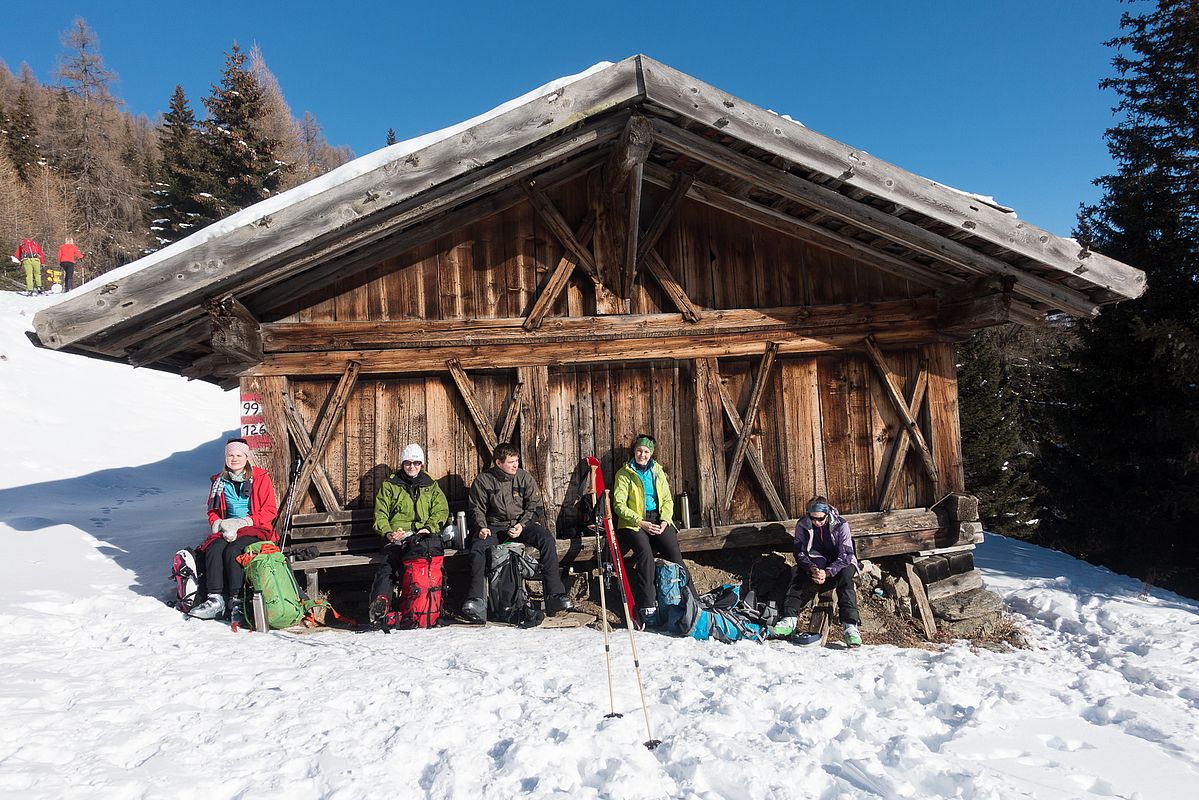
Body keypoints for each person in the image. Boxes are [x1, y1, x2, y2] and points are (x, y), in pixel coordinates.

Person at [461, 443, 572, 623]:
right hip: (495, 526)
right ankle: (477, 600)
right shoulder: (483, 480)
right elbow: (476, 509)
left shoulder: (523, 478)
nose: (515, 465)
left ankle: (554, 595)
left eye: (516, 461)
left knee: (547, 540)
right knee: (478, 548)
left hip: (521, 524)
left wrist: (522, 524)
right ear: (498, 463)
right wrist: (481, 527)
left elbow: (534, 506)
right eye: (511, 462)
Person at [188, 439, 279, 621]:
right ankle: (216, 599)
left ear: (246, 457)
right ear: (226, 458)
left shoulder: (260, 478)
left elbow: (270, 510)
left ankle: (236, 600)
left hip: (255, 528)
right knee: (213, 549)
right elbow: (212, 511)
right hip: (227, 527)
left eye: (239, 455)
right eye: (231, 455)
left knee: (233, 551)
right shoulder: (218, 482)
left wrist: (244, 522)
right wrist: (218, 523)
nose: (234, 459)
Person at [368, 443, 450, 626]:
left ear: (421, 464)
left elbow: (441, 510)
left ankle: (428, 607)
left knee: (432, 563)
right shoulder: (390, 485)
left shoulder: (430, 485)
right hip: (398, 537)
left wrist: (429, 527)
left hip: (422, 537)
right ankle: (380, 605)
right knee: (388, 566)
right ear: (402, 464)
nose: (411, 467)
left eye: (416, 463)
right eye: (407, 463)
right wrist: (388, 533)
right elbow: (380, 514)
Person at [612, 433, 683, 628]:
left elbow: (667, 500)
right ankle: (648, 605)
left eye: (646, 452)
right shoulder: (624, 473)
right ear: (633, 452)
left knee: (674, 552)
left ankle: (688, 596)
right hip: (633, 523)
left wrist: (665, 520)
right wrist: (641, 522)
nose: (642, 455)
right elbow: (619, 505)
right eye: (639, 451)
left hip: (658, 519)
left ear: (651, 454)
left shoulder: (657, 472)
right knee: (645, 554)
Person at [772, 497, 862, 646]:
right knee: (796, 573)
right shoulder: (802, 524)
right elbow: (799, 552)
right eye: (812, 518)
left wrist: (827, 572)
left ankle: (850, 625)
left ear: (827, 514)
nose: (816, 522)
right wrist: (811, 568)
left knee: (846, 579)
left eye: (820, 519)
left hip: (840, 561)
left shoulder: (841, 524)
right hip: (816, 560)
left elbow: (846, 554)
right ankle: (790, 618)